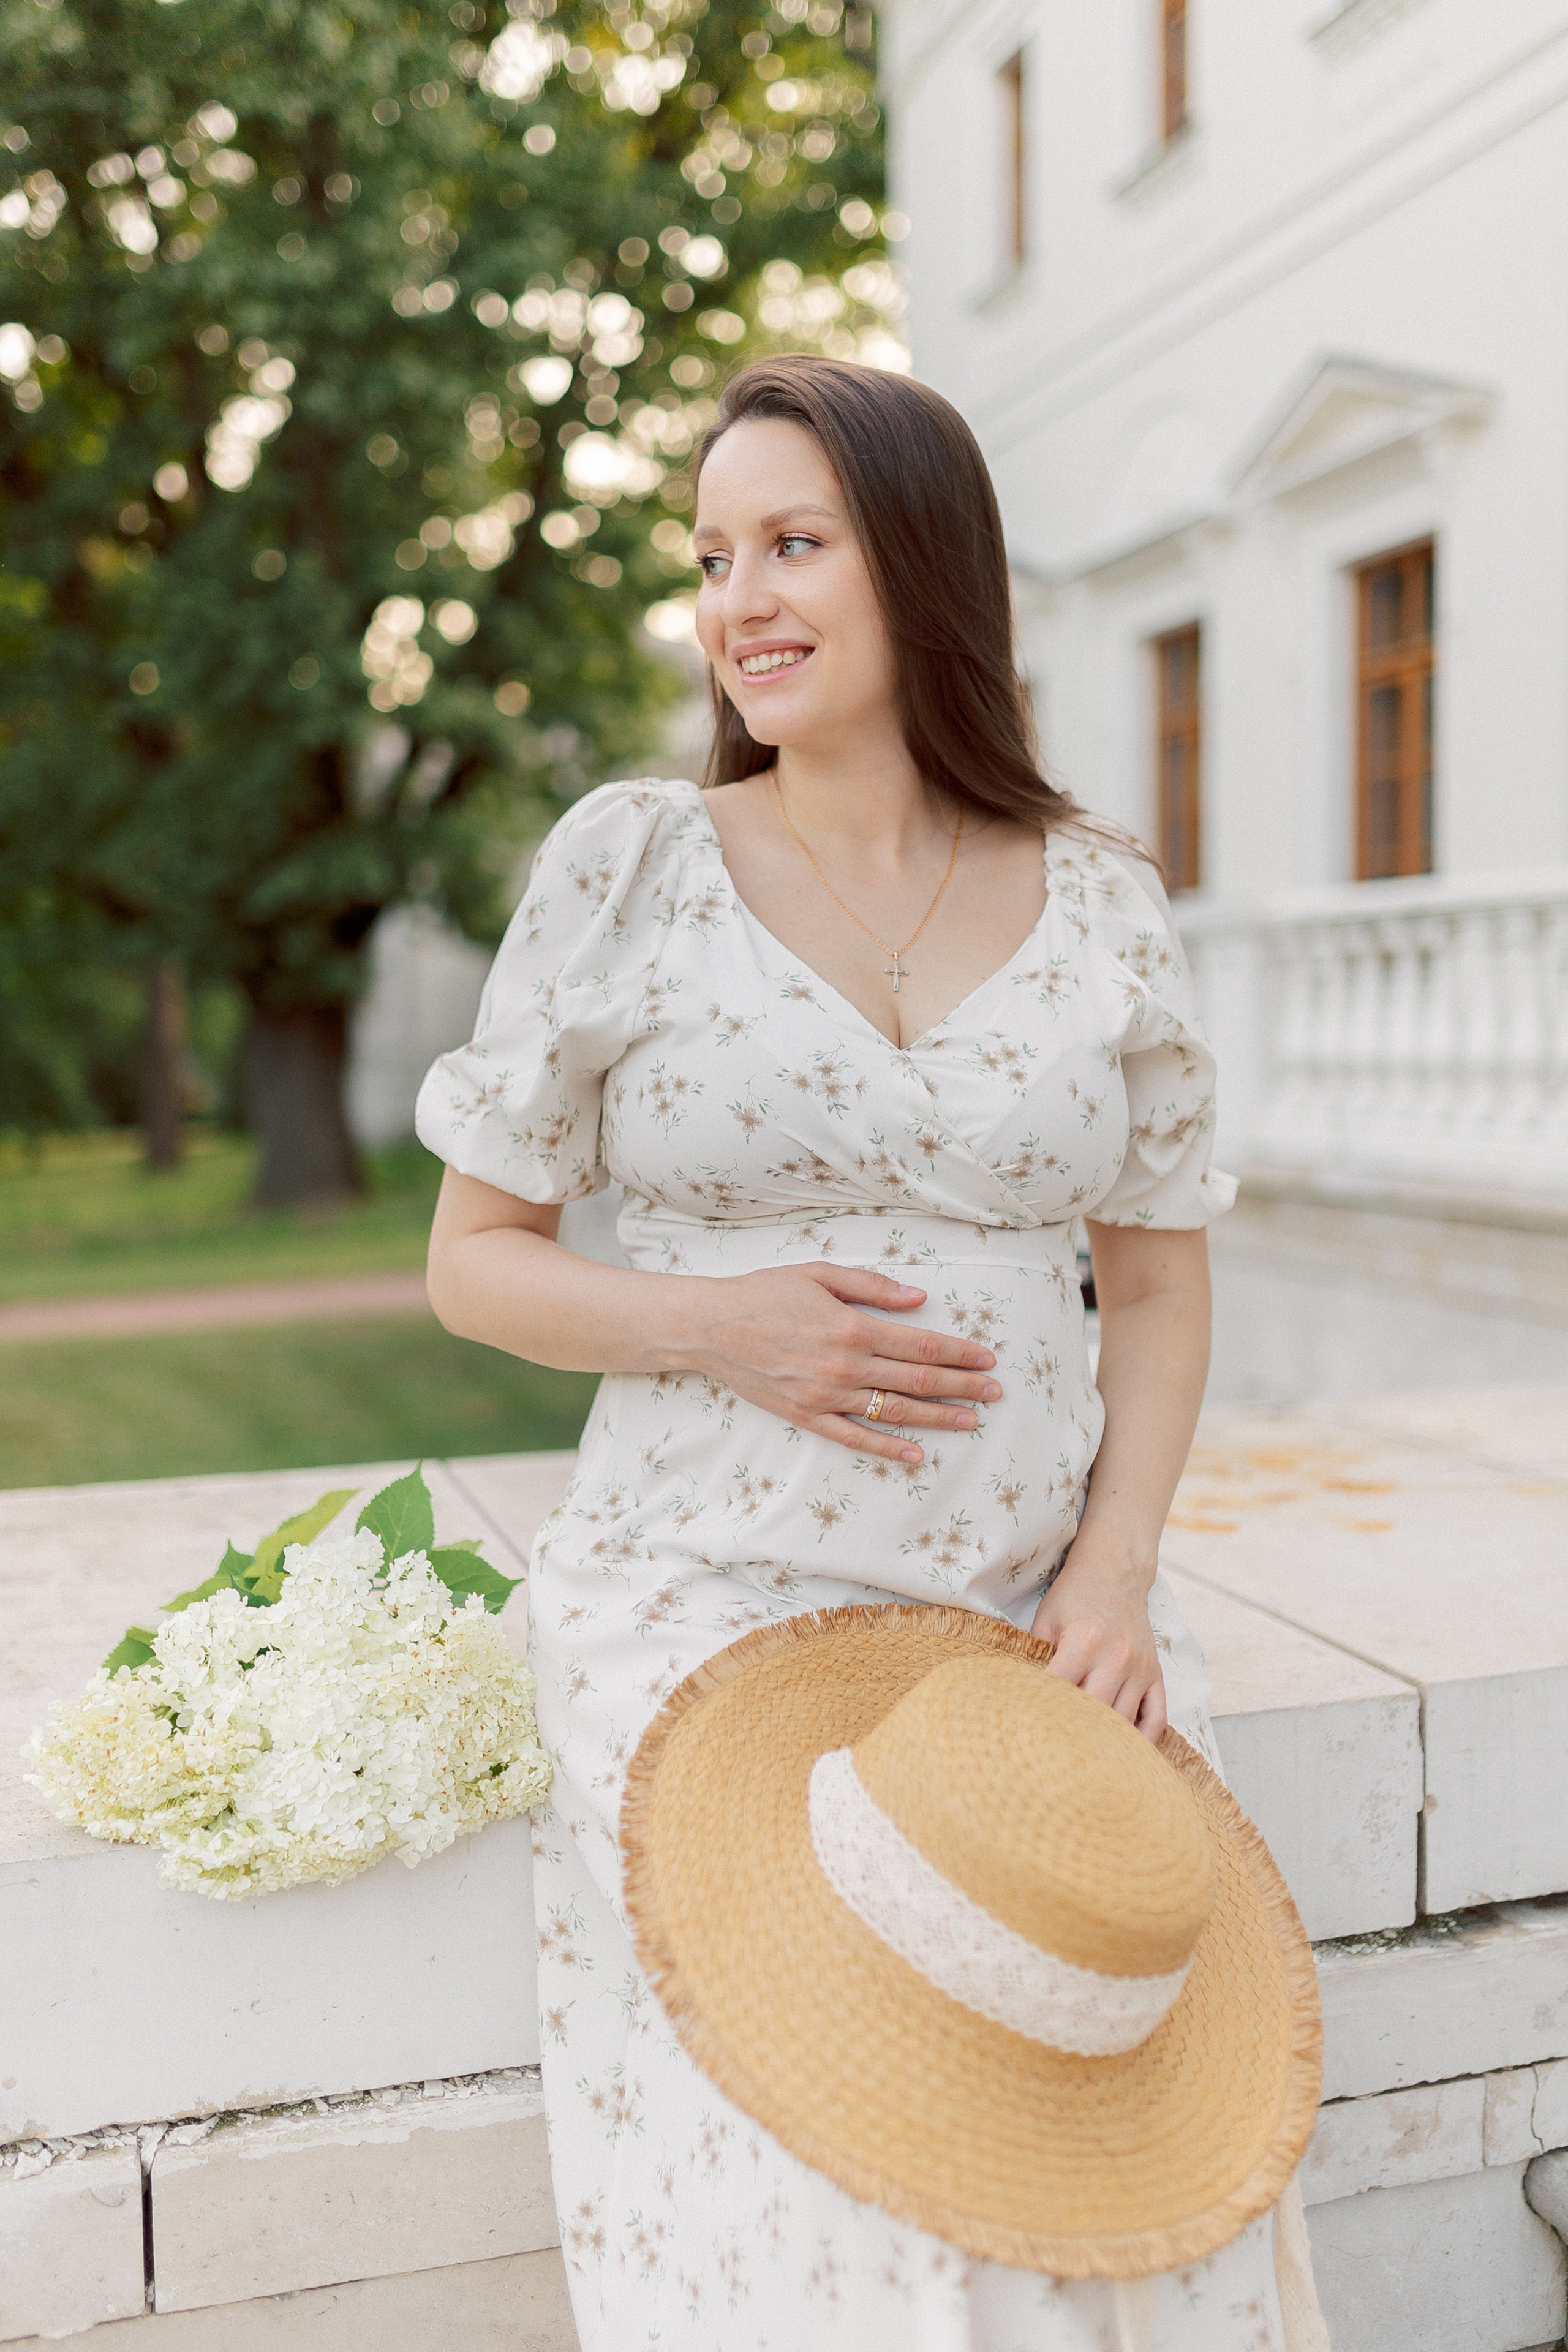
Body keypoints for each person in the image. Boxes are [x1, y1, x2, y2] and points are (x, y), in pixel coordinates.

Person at [418, 355, 1320, 2348]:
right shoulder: (635, 863)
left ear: (922, 566)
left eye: (793, 544)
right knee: (824, 2172)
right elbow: (475, 1264)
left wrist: (1113, 1572)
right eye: (715, 555)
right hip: (704, 1603)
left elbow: (1158, 1285)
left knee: (1102, 2127)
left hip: (1013, 1616)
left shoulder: (1097, 901)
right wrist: (712, 1324)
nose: (739, 598)